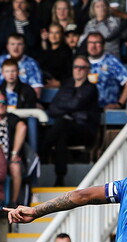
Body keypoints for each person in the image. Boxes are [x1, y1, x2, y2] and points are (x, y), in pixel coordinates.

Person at [40, 58, 100, 186]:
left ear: (88, 71)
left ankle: (41, 152)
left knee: (61, 123)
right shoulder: (66, 85)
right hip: (66, 130)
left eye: (82, 68)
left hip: (85, 131)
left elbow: (75, 104)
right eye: (76, 67)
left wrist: (64, 108)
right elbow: (52, 109)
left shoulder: (90, 88)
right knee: (61, 133)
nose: (78, 70)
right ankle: (60, 177)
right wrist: (68, 110)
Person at [0, 91, 27, 204]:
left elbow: (22, 127)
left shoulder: (11, 119)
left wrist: (14, 153)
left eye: (3, 102)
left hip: (9, 160)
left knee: (15, 167)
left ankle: (13, 203)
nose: (1, 105)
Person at [85, 32, 127, 109]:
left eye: (97, 43)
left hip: (107, 109)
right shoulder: (82, 62)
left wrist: (119, 104)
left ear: (103, 45)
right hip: (86, 109)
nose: (93, 46)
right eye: (90, 43)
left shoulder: (112, 61)